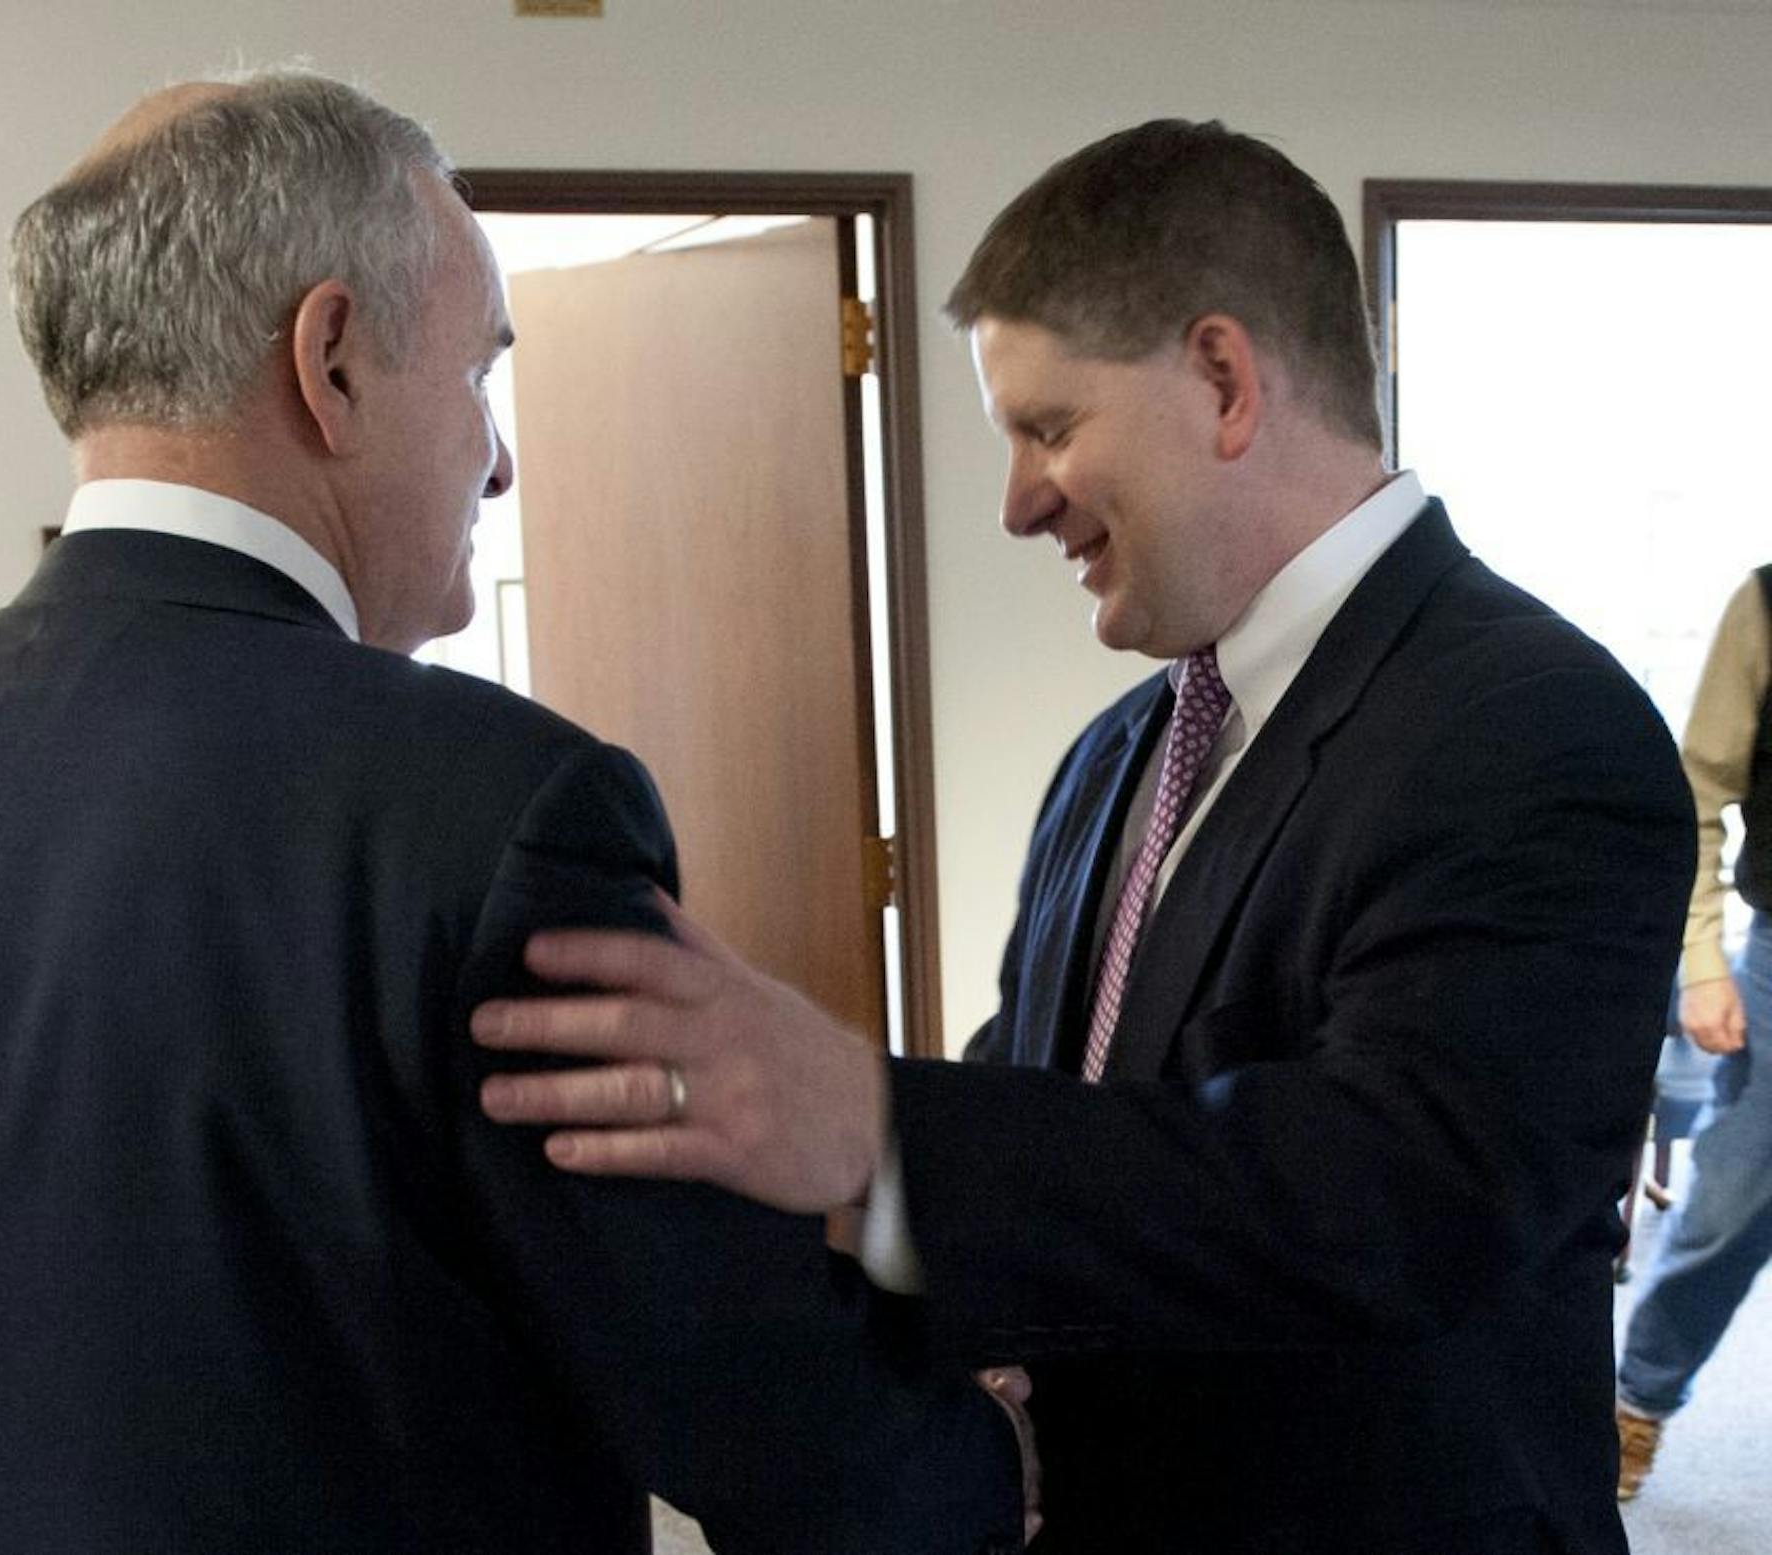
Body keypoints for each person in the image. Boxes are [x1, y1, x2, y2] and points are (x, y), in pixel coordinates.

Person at [0, 70, 1032, 1555]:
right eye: (478, 374)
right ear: (329, 362)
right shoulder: (499, 812)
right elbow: (743, 1397)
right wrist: (991, 1453)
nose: (499, 459)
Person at [474, 119, 1697, 1554]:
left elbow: (1399, 1197)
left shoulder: (1537, 726)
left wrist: (875, 1127)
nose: (1015, 504)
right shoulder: (1119, 751)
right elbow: (1053, 1101)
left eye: (1048, 429)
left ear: (1224, 382)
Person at [1616, 566, 1772, 1499]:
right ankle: (1639, 1399)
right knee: (1732, 1205)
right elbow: (1698, 793)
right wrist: (1704, 959)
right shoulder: (1767, 606)